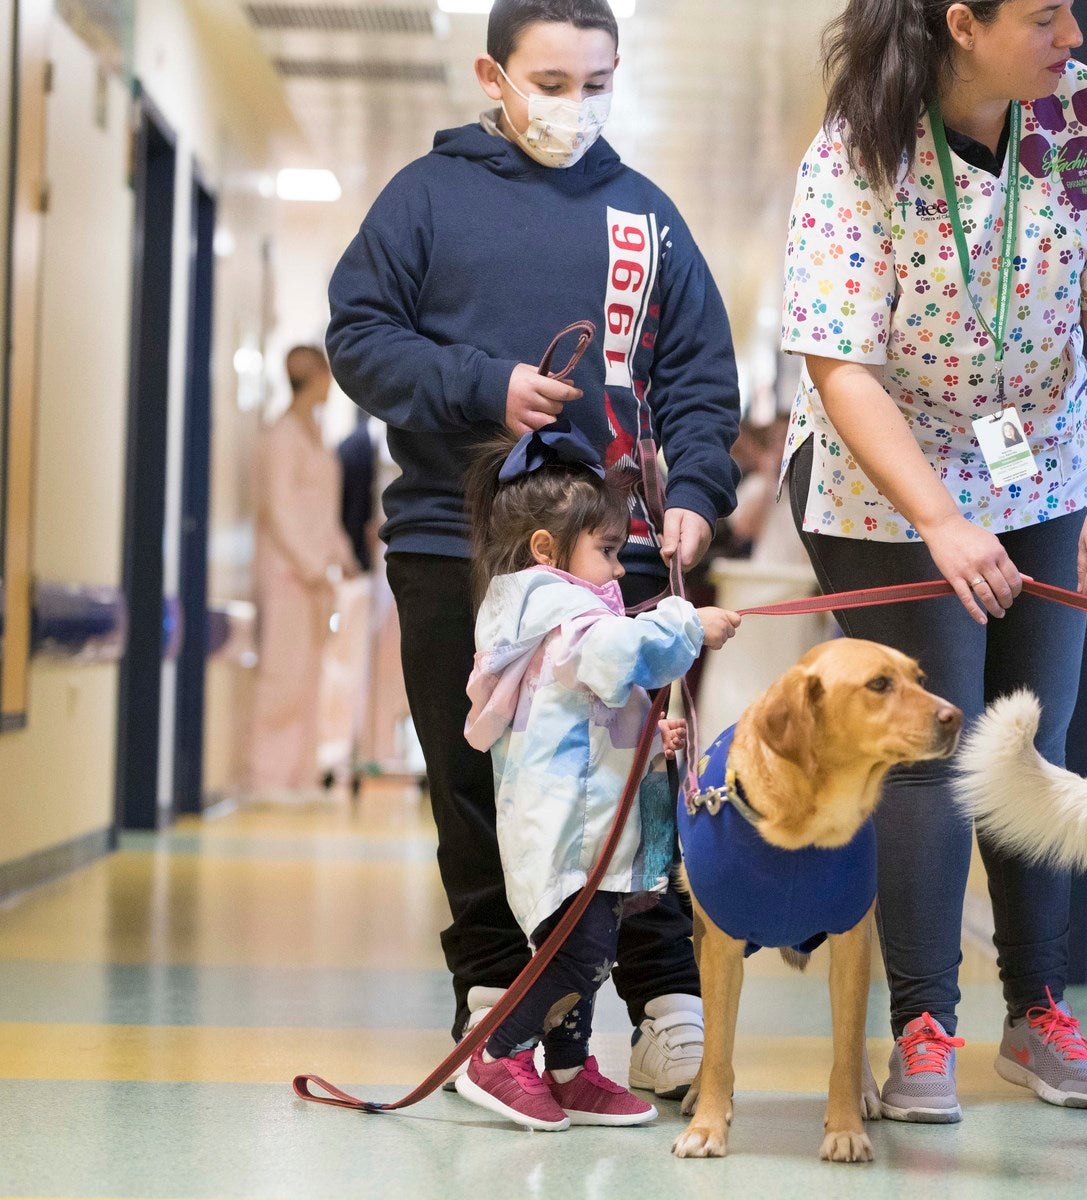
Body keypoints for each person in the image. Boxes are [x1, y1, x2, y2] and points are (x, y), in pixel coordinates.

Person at [325, 0, 741, 1098]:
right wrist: (482, 386)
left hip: (617, 561)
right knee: (475, 780)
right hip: (451, 547)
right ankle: (496, 1007)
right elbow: (359, 339)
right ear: (492, 76)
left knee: (633, 787)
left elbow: (699, 376)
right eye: (550, 83)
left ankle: (665, 1003)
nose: (575, 104)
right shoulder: (424, 199)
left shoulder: (645, 217)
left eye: (595, 81)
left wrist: (695, 490)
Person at [781, 0, 1087, 1121]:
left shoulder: (1084, 116)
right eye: (1046, 17)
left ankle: (1038, 1011)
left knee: (1028, 727)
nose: (1076, 37)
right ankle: (923, 1026)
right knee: (929, 744)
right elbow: (837, 362)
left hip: (1041, 459)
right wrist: (942, 520)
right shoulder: (859, 148)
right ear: (961, 23)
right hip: (884, 479)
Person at [459, 425, 740, 1130]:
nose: (619, 571)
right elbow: (621, 654)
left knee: (590, 952)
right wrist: (685, 622)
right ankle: (497, 1052)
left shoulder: (558, 616)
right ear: (547, 551)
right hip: (568, 836)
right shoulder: (562, 613)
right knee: (575, 955)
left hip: (578, 828)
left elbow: (586, 716)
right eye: (609, 552)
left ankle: (566, 1069)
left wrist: (649, 738)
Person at [247, 346, 361, 802]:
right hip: (288, 577)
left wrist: (343, 557)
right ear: (311, 377)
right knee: (282, 676)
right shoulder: (280, 439)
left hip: (316, 579)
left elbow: (322, 512)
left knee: (312, 678)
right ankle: (267, 777)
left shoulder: (314, 437)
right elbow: (280, 513)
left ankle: (301, 775)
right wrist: (312, 565)